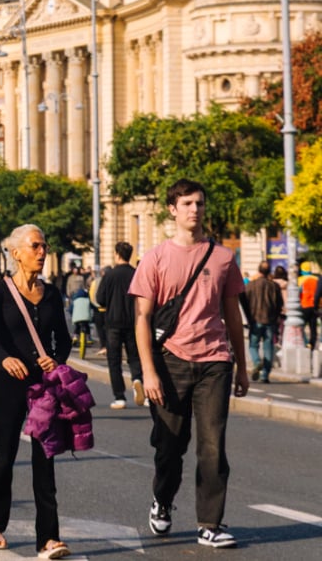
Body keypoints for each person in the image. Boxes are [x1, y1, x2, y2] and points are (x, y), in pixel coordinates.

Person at [131, 179, 248, 548]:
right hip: (170, 362)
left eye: (199, 203)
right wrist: (148, 372)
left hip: (215, 361)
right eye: (186, 203)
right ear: (173, 209)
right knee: (170, 446)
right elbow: (142, 318)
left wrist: (243, 366)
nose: (194, 209)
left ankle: (210, 524)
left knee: (213, 446)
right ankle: (162, 500)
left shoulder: (223, 257)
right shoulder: (155, 258)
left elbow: (233, 316)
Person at [0, 224, 72, 559]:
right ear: (16, 253)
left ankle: (49, 538)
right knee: (5, 454)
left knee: (45, 457)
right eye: (35, 246)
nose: (42, 252)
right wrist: (4, 359)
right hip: (8, 383)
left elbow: (64, 339)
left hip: (43, 386)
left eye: (44, 246)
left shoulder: (52, 295)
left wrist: (55, 360)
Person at [95, 242, 143, 409]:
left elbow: (100, 299)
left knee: (114, 361)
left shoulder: (109, 275)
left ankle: (119, 397)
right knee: (135, 356)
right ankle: (137, 380)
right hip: (133, 321)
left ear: (117, 254)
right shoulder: (135, 273)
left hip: (113, 323)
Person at [243, 261, 281, 384]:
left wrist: (247, 318)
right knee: (268, 347)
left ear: (259, 270)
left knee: (253, 345)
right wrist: (275, 317)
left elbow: (244, 303)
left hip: (255, 320)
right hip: (270, 320)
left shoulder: (250, 285)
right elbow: (279, 304)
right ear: (269, 272)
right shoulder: (274, 286)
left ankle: (257, 362)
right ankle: (265, 375)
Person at [299, 263, 318, 350]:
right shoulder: (316, 279)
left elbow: (298, 293)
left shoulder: (300, 280)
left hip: (304, 305)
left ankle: (305, 342)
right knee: (313, 328)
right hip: (314, 306)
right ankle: (311, 344)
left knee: (301, 326)